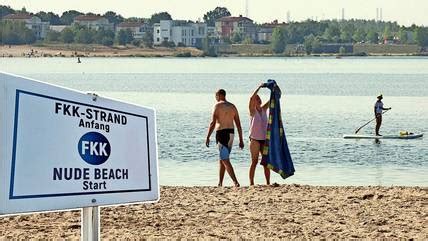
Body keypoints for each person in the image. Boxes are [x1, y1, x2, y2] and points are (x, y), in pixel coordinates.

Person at [206, 89, 244, 187]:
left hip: (221, 133)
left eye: (216, 96)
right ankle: (220, 183)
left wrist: (207, 136)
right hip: (231, 133)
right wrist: (241, 140)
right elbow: (239, 125)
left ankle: (235, 181)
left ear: (219, 95)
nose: (215, 98)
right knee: (222, 159)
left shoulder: (217, 106)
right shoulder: (233, 106)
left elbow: (213, 123)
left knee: (225, 159)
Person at [248, 84, 271, 185]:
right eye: (257, 99)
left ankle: (268, 183)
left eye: (259, 98)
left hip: (264, 139)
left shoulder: (264, 109)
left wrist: (273, 89)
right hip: (255, 139)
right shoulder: (252, 111)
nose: (259, 100)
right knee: (254, 162)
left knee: (266, 163)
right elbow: (251, 98)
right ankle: (251, 183)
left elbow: (272, 100)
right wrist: (258, 88)